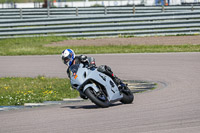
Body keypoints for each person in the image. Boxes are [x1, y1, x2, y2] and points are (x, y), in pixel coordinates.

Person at [61, 49, 126, 92]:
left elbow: (90, 58)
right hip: (83, 80)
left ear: (71, 55)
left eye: (67, 58)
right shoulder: (69, 70)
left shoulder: (79, 58)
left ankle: (118, 81)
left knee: (103, 68)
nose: (66, 60)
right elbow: (72, 79)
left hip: (92, 71)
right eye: (65, 59)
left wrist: (92, 64)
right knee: (81, 94)